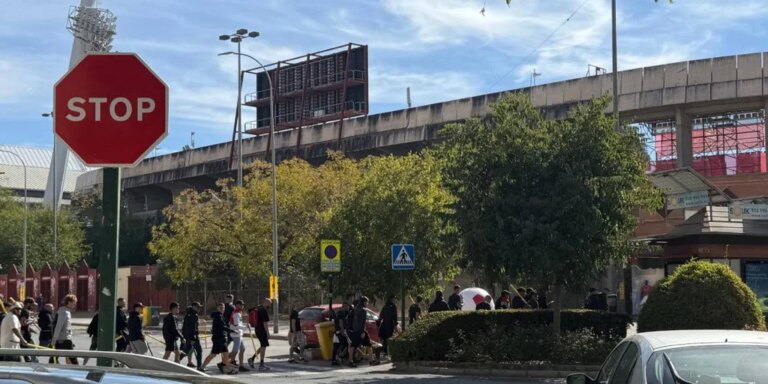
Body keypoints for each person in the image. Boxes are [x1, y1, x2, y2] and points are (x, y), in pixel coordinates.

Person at [201, 302, 237, 375]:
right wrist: (232, 330)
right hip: (219, 339)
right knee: (215, 354)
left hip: (221, 338)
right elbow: (223, 327)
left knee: (224, 354)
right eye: (220, 307)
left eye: (223, 307)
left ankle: (228, 369)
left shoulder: (220, 315)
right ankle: (202, 367)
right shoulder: (218, 316)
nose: (222, 309)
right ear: (217, 308)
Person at [52, 294, 78, 365]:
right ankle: (80, 371)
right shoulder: (64, 312)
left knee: (54, 357)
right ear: (69, 302)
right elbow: (58, 326)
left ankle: (51, 369)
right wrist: (54, 339)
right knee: (73, 358)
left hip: (63, 338)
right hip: (64, 339)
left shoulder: (66, 311)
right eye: (74, 302)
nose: (75, 304)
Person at [248, 298, 272, 371]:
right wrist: (268, 333)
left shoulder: (257, 307)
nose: (269, 305)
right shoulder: (263, 310)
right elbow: (265, 323)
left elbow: (249, 311)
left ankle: (252, 359)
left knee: (263, 345)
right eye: (269, 303)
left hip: (257, 329)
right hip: (262, 330)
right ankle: (261, 364)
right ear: (266, 302)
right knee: (263, 346)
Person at [347, 296, 369, 368]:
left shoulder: (355, 309)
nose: (367, 303)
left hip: (352, 330)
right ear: (364, 302)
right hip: (358, 330)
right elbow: (362, 322)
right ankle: (351, 361)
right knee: (367, 344)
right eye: (367, 302)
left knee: (353, 345)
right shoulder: (363, 310)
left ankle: (351, 360)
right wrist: (362, 331)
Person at [181, 302, 203, 371]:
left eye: (199, 307)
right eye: (197, 307)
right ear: (193, 307)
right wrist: (193, 338)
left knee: (186, 351)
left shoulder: (189, 314)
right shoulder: (193, 315)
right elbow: (191, 328)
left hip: (188, 336)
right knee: (199, 351)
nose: (199, 308)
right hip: (193, 337)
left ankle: (177, 361)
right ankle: (199, 367)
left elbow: (187, 327)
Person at [228, 300, 248, 371]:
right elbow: (236, 325)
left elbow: (238, 323)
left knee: (242, 349)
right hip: (236, 334)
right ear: (236, 305)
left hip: (238, 333)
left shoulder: (238, 312)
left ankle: (240, 365)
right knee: (235, 351)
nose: (242, 306)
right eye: (240, 305)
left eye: (242, 305)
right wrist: (245, 327)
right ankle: (224, 361)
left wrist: (244, 326)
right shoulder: (236, 313)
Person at [331, 300, 351, 366]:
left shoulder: (338, 312)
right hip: (340, 331)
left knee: (336, 346)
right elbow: (341, 322)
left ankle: (334, 360)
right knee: (345, 344)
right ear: (345, 306)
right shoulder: (342, 313)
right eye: (348, 306)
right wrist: (342, 331)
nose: (348, 308)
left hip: (336, 331)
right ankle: (339, 357)